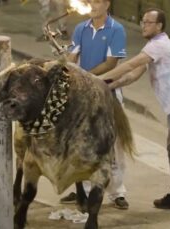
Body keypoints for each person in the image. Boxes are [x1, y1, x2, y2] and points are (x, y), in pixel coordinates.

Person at [101, 8, 170, 209]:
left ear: (159, 26)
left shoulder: (160, 45)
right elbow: (133, 75)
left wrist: (98, 79)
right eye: (143, 21)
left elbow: (130, 65)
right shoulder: (153, 47)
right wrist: (109, 86)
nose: (144, 25)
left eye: (148, 22)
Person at [61, 0, 129, 210]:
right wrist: (67, 64)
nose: (92, 5)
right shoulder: (81, 28)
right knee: (83, 143)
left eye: (97, 1)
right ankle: (86, 190)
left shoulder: (116, 30)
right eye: (89, 1)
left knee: (113, 145)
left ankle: (117, 192)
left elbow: (111, 63)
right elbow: (72, 56)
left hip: (107, 92)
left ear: (107, 4)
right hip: (84, 94)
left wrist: (85, 75)